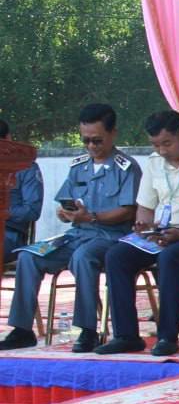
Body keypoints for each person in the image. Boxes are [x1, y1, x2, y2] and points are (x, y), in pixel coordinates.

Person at [0, 103, 142, 352]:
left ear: (113, 134)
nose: (91, 146)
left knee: (83, 257)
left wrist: (92, 217)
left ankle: (87, 330)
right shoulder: (79, 166)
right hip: (77, 234)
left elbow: (128, 211)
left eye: (97, 140)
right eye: (85, 140)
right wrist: (66, 213)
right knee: (28, 256)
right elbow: (66, 202)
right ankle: (22, 330)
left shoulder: (126, 167)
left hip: (110, 236)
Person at [97, 110, 179, 356]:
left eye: (167, 143)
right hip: (163, 232)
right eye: (155, 144)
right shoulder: (153, 162)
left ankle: (167, 336)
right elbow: (145, 206)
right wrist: (145, 226)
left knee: (170, 257)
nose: (161, 150)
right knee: (116, 256)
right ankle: (126, 335)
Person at [0, 119, 43, 259]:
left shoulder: (26, 167)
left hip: (9, 234)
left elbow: (32, 211)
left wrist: (4, 212)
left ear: (8, 140)